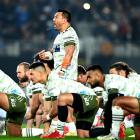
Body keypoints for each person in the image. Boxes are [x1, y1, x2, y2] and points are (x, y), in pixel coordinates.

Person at [29, 62, 99, 138]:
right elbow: (47, 109)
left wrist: (48, 117)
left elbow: (55, 110)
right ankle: (108, 131)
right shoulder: (46, 86)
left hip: (89, 97)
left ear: (40, 73)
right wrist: (48, 128)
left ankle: (59, 132)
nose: (29, 77)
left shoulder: (53, 81)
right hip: (84, 101)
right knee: (83, 134)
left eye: (32, 74)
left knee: (61, 99)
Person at [86, 64, 140, 140]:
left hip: (137, 101)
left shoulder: (111, 80)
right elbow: (107, 110)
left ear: (98, 76)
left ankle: (115, 135)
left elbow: (113, 98)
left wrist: (106, 112)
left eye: (89, 77)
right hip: (135, 107)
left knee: (115, 101)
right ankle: (112, 132)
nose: (87, 80)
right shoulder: (105, 90)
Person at [109, 61, 140, 140]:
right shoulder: (123, 83)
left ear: (122, 72)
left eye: (112, 74)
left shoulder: (134, 80)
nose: (111, 77)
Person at [0, 69, 26, 136]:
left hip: (16, 97)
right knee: (14, 135)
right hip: (20, 100)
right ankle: (46, 132)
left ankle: (1, 126)